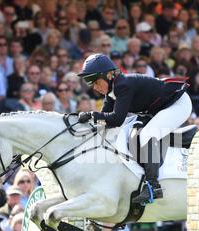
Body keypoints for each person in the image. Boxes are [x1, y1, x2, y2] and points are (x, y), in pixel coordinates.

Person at [77, 53, 191, 204]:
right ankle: (189, 138)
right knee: (138, 131)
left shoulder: (123, 86)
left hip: (177, 104)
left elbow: (117, 119)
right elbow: (106, 121)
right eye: (91, 83)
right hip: (158, 109)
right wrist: (88, 125)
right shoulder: (112, 93)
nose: (95, 87)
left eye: (96, 82)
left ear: (110, 75)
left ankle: (153, 186)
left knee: (147, 135)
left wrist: (92, 115)